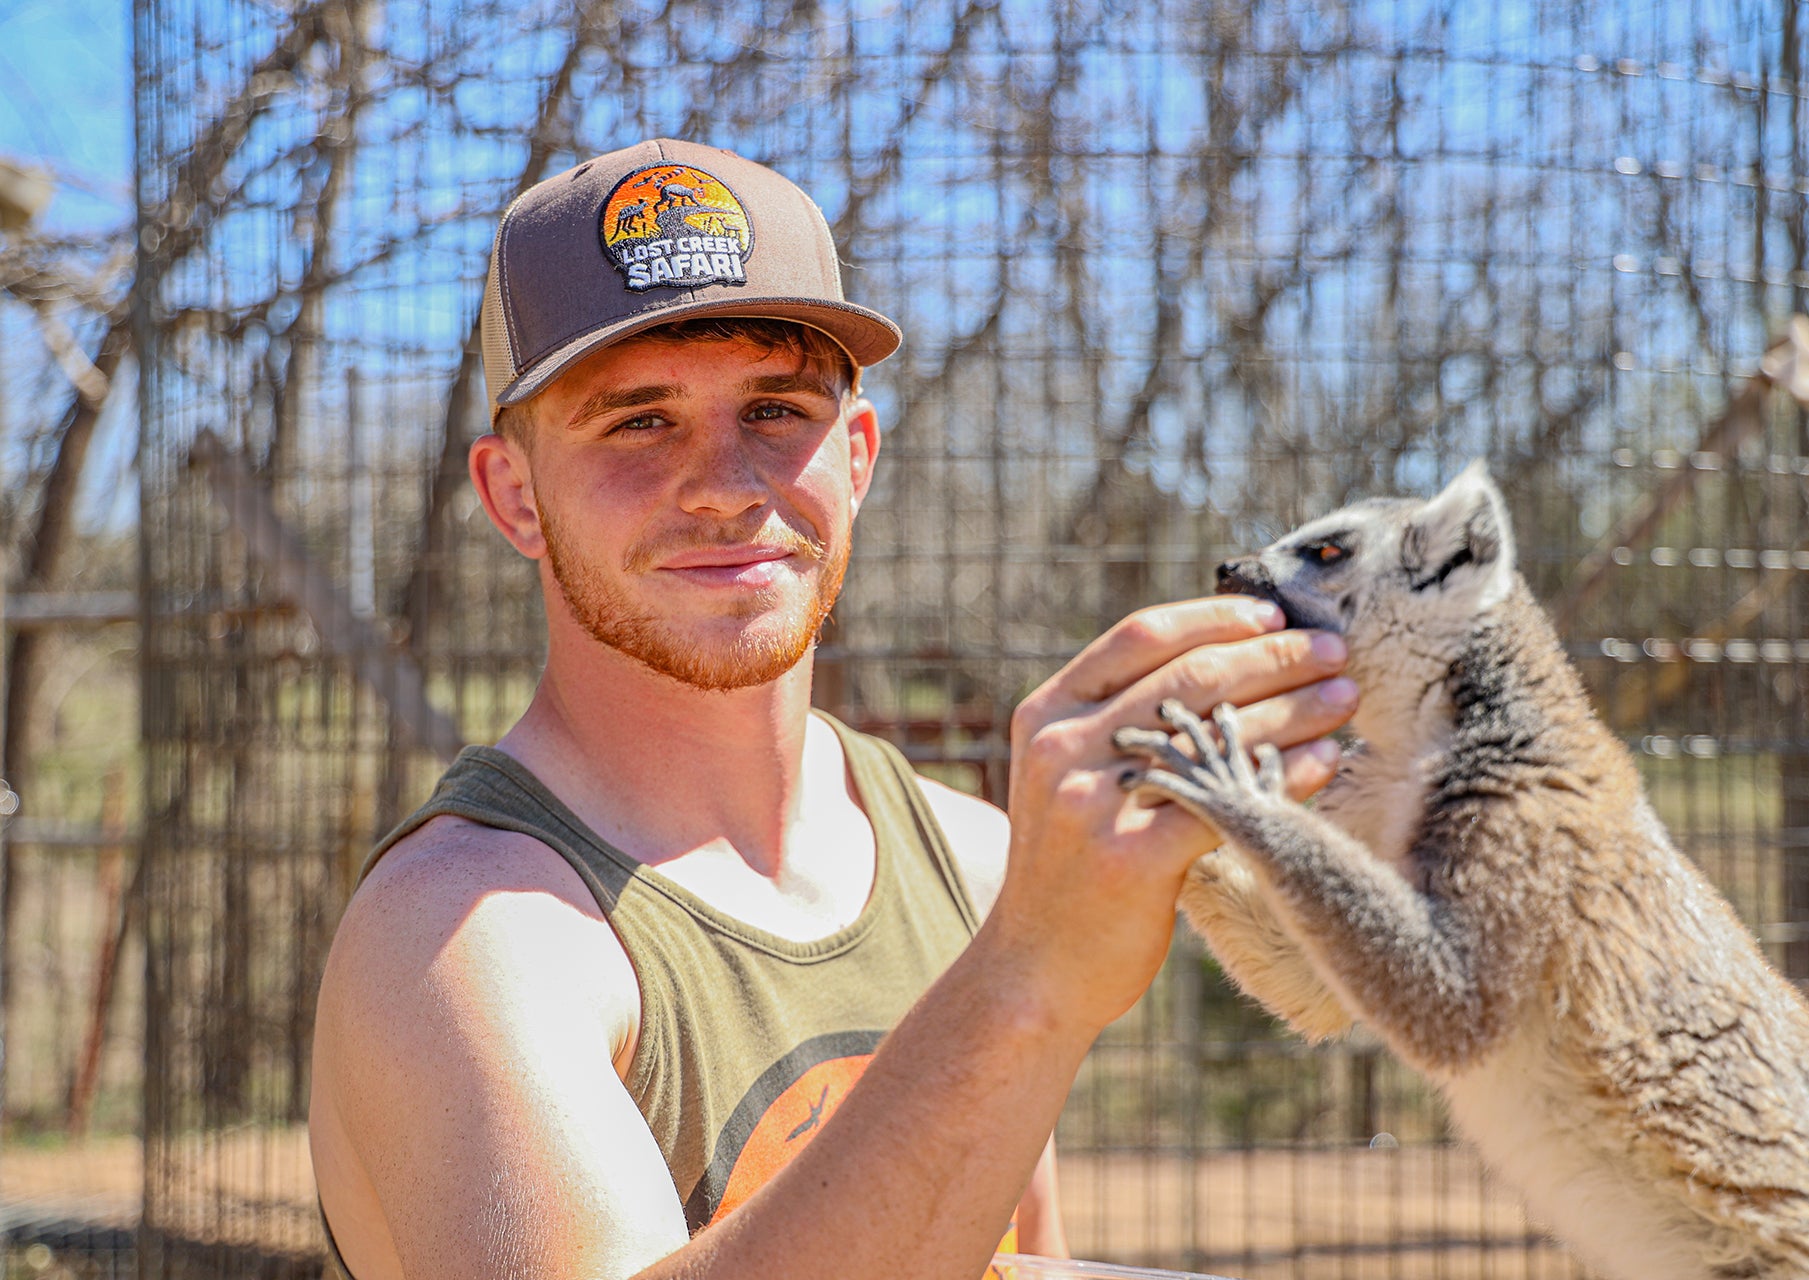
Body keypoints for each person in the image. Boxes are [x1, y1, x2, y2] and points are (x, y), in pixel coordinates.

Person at [307, 138, 1357, 1280]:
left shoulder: (973, 858)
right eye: (637, 421)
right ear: (514, 493)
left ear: (855, 455)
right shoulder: (465, 935)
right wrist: (1026, 982)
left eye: (775, 408)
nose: (722, 479)